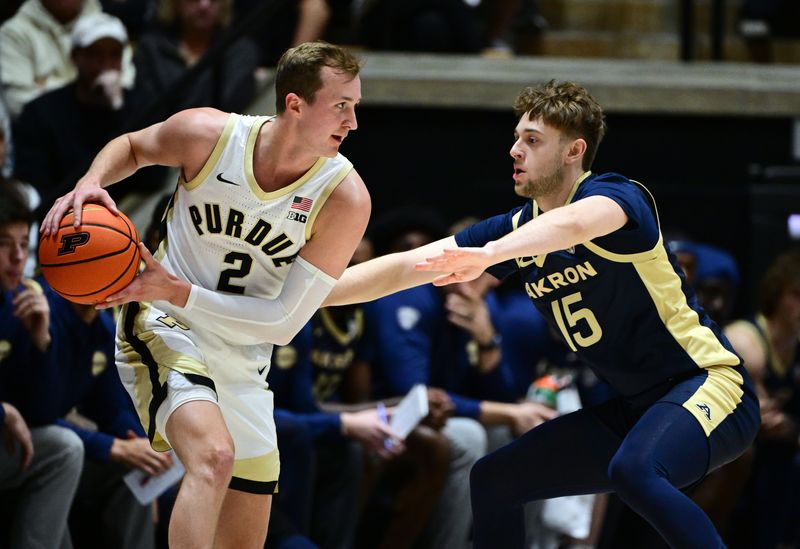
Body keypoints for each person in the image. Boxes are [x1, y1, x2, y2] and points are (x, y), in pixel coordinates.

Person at [323, 80, 761, 549]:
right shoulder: (515, 228)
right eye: (516, 138)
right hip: (637, 405)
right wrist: (312, 294)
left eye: (532, 140)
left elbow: (573, 224)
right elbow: (406, 267)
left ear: (574, 151)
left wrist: (489, 254)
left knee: (634, 471)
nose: (515, 150)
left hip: (711, 386)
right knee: (494, 479)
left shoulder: (618, 196)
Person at [41, 41, 370, 549]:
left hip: (244, 352)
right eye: (341, 105)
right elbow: (132, 146)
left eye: (356, 106)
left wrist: (182, 290)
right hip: (163, 321)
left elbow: (283, 323)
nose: (352, 122)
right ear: (295, 104)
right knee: (213, 458)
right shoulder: (210, 135)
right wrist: (91, 182)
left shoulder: (344, 198)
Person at [0, 183, 84, 548]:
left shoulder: (21, 302)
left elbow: (46, 411)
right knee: (65, 450)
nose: (18, 257)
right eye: (4, 243)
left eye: (23, 244)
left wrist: (41, 342)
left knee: (60, 452)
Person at [14, 12, 166, 207]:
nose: (106, 63)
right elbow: (35, 185)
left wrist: (117, 109)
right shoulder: (41, 112)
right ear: (76, 57)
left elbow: (154, 178)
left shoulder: (143, 105)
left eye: (114, 54)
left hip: (126, 210)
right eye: (95, 54)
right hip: (65, 211)